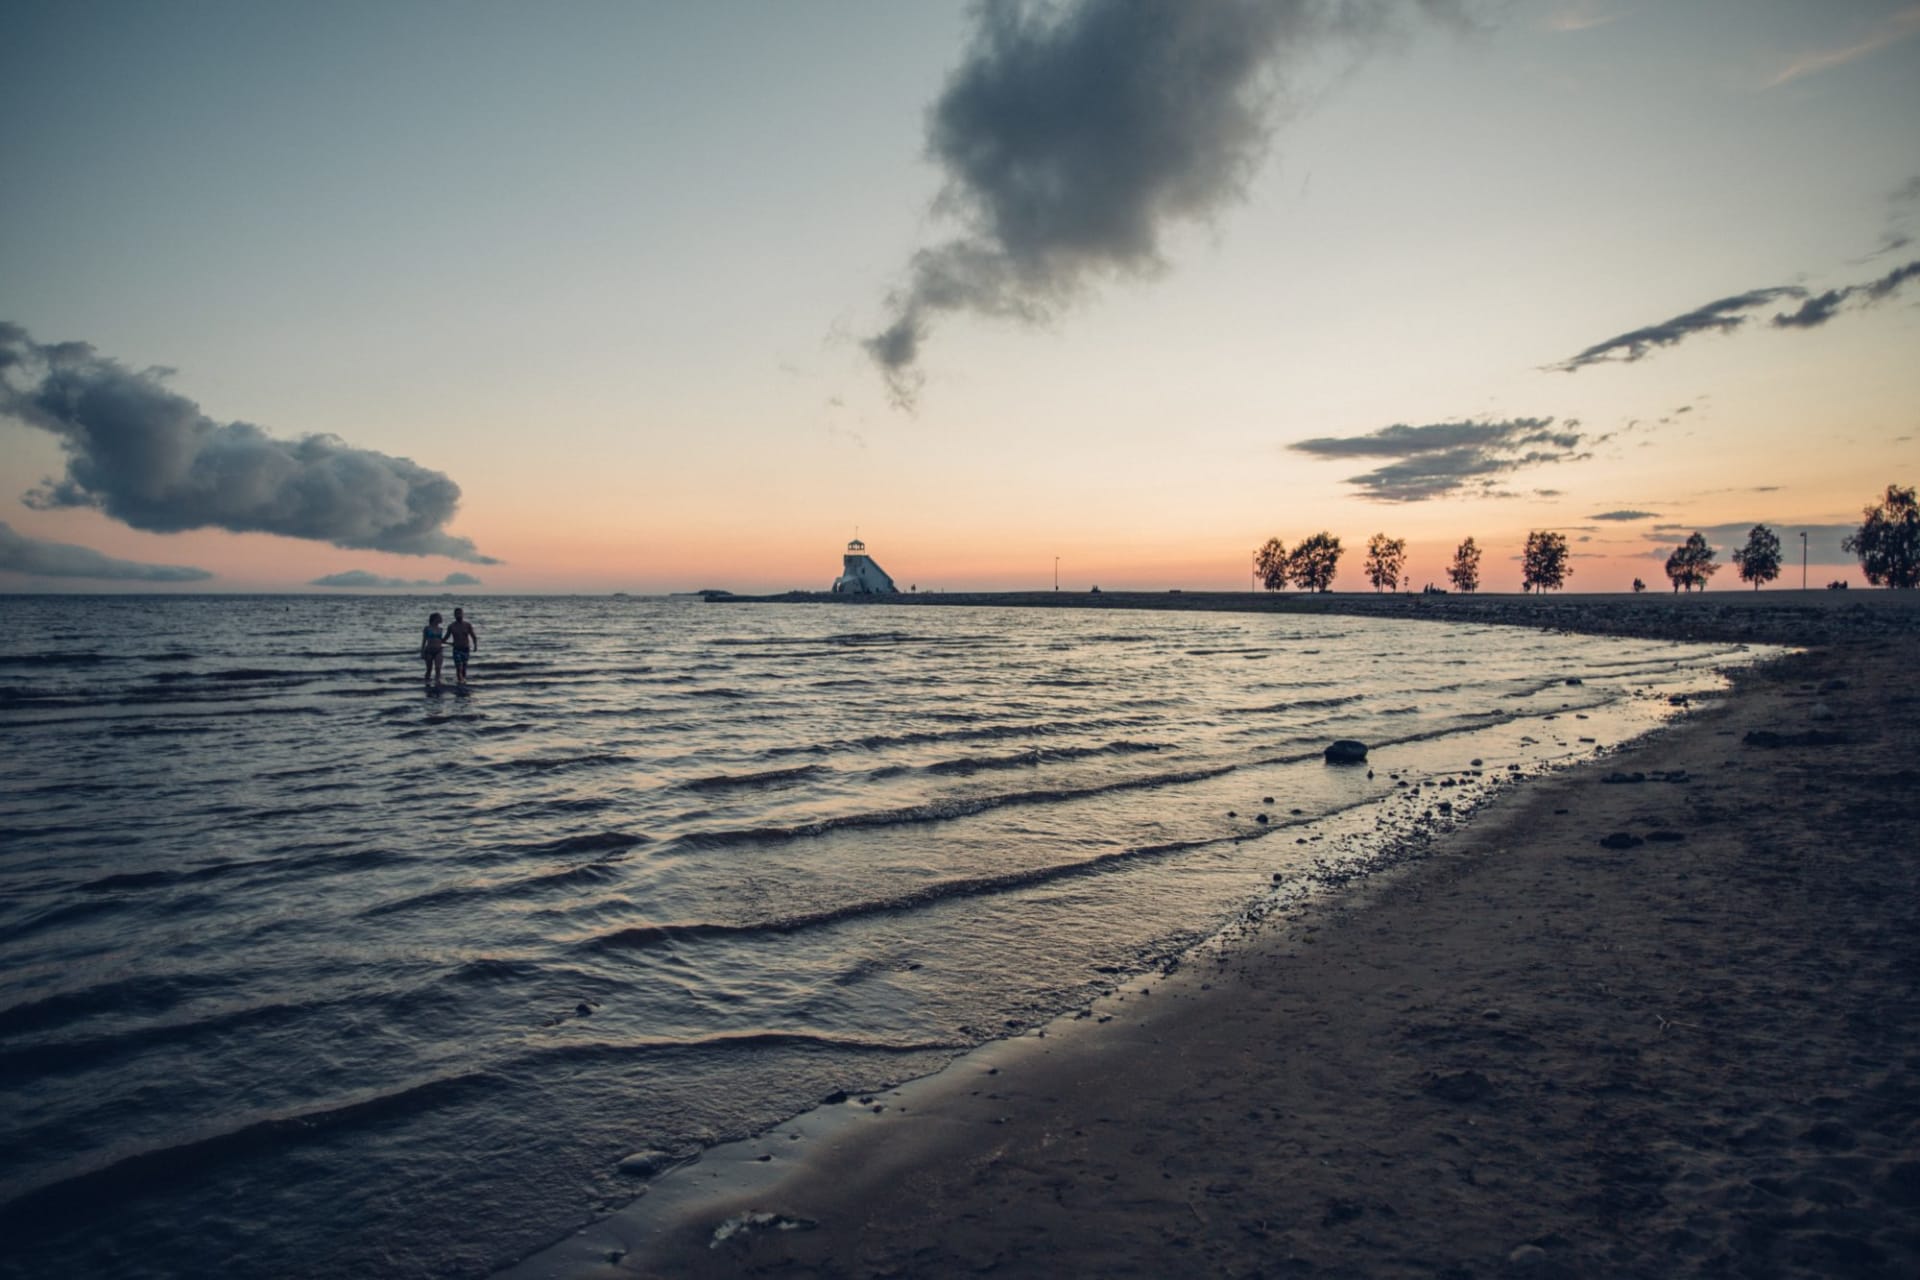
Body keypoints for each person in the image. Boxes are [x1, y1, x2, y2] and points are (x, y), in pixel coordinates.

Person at [445, 607, 478, 684]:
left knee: (464, 668)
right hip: (456, 649)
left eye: (460, 613)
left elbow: (473, 636)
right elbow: (445, 639)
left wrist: (475, 646)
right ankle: (460, 682)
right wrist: (450, 643)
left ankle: (463, 682)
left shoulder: (467, 625)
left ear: (463, 614)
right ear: (454, 615)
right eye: (457, 614)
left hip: (466, 649)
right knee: (458, 668)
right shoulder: (451, 626)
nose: (458, 615)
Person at [421, 612, 445, 686]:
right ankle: (427, 684)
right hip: (429, 650)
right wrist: (422, 652)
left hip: (439, 650)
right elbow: (424, 640)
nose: (441, 618)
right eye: (440, 617)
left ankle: (437, 683)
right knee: (429, 669)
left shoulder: (441, 629)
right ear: (435, 619)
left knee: (438, 669)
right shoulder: (427, 628)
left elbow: (441, 640)